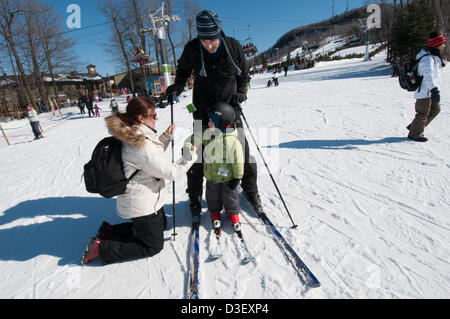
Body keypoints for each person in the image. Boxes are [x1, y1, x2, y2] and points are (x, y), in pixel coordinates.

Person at [165, 9, 263, 217]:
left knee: (242, 153)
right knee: (197, 156)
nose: (209, 45)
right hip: (203, 109)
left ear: (219, 32)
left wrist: (241, 93)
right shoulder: (193, 48)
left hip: (229, 110)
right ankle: (193, 196)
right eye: (204, 40)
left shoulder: (234, 47)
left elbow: (245, 75)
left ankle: (251, 192)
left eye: (212, 40)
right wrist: (177, 86)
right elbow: (182, 70)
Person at [81, 97, 197, 265]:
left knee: (161, 225)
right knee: (152, 246)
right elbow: (169, 171)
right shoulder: (140, 143)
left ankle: (110, 232)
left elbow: (150, 158)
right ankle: (102, 248)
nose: (156, 118)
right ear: (141, 118)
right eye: (154, 115)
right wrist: (190, 158)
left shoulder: (134, 132)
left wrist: (164, 136)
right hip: (142, 202)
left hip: (145, 197)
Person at [184, 102, 244, 235]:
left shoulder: (232, 141)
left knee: (231, 198)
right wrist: (188, 147)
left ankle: (233, 214)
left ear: (221, 123)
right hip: (211, 176)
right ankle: (215, 212)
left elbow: (238, 161)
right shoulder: (208, 134)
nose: (208, 122)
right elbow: (194, 138)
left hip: (228, 177)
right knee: (212, 196)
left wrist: (237, 177)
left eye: (211, 120)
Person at [407, 32, 446, 142]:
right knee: (423, 113)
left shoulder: (433, 56)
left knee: (436, 109)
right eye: (443, 43)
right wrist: (434, 90)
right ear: (437, 44)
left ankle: (416, 126)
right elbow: (428, 75)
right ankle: (414, 134)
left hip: (431, 90)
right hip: (425, 91)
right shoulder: (427, 58)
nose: (444, 46)